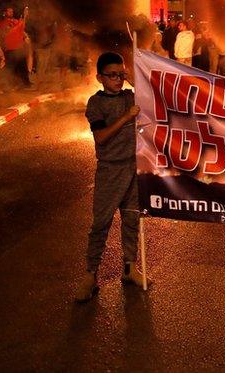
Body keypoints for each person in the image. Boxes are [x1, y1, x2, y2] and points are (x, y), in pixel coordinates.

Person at [76, 52, 148, 302]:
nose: (118, 79)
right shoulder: (96, 103)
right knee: (101, 224)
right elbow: (101, 137)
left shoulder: (131, 96)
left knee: (131, 220)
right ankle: (90, 275)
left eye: (121, 74)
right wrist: (127, 117)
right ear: (100, 77)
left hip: (132, 167)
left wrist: (132, 80)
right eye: (112, 75)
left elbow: (152, 95)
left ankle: (130, 268)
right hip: (109, 170)